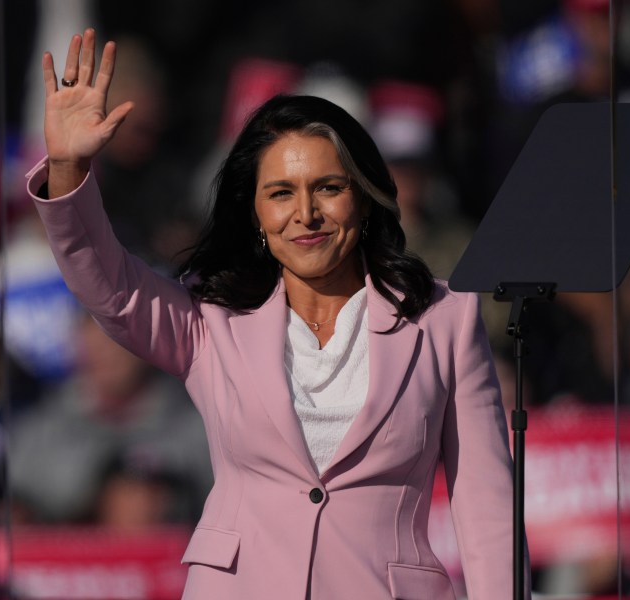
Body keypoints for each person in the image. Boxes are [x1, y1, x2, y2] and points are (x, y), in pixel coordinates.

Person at [26, 28, 528, 599]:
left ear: (362, 198)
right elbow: (111, 288)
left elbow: (488, 509)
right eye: (282, 193)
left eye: (328, 187)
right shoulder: (210, 320)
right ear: (256, 213)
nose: (306, 213)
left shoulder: (444, 318)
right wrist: (68, 170)